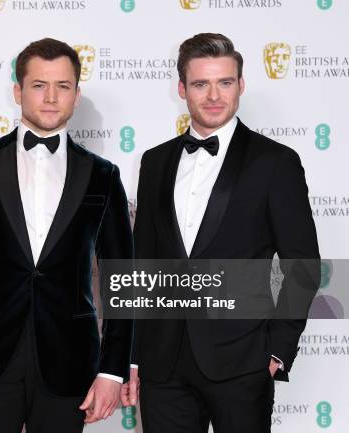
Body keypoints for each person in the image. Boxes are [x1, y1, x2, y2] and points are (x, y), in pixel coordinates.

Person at [0, 38, 133, 433]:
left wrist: (112, 371)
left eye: (62, 86)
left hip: (71, 362)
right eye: (39, 85)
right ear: (18, 91)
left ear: (76, 95)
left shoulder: (103, 174)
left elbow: (122, 277)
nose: (50, 98)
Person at [124, 33, 319, 433]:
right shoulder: (155, 161)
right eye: (200, 84)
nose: (214, 95)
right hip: (163, 367)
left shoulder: (275, 162)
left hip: (242, 362)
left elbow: (304, 265)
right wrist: (133, 356)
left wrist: (277, 350)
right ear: (182, 89)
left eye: (225, 82)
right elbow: (142, 264)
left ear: (241, 85)